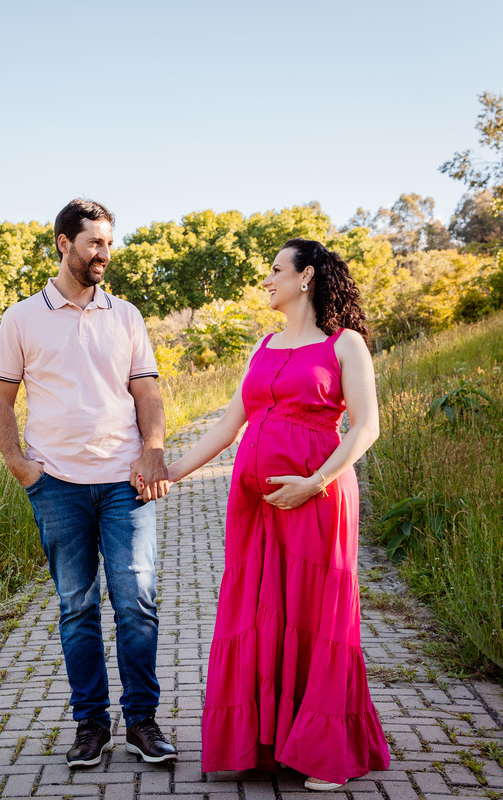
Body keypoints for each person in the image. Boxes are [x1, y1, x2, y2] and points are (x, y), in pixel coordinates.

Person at [163, 238, 390, 790]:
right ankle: (266, 743)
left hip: (317, 498)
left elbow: (366, 426)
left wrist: (315, 483)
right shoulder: (262, 346)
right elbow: (227, 426)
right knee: (260, 612)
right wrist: (170, 472)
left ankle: (323, 753)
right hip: (255, 509)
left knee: (316, 613)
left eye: (275, 270)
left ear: (306, 276)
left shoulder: (344, 343)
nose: (266, 280)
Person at [0, 198, 178, 768]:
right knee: (77, 607)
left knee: (136, 602)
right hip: (57, 485)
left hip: (125, 481)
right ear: (63, 243)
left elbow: (146, 391)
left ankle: (142, 721)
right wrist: (20, 465)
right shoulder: (22, 318)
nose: (105, 254)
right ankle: (91, 724)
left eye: (109, 243)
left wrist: (154, 451)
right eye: (95, 242)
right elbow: (0, 399)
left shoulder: (126, 315)